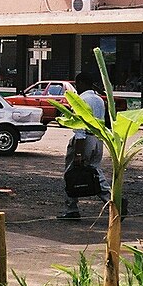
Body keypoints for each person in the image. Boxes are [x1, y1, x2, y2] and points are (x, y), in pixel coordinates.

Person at [58, 72, 110, 220]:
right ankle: (112, 200)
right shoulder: (99, 100)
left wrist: (78, 154)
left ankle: (71, 208)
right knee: (95, 172)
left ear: (81, 83)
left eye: (77, 84)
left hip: (85, 139)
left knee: (71, 174)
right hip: (98, 139)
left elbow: (80, 129)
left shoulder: (81, 100)